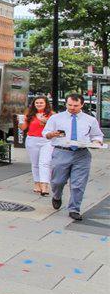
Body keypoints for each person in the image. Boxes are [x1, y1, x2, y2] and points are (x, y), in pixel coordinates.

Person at [44, 93, 105, 221]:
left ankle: (74, 209)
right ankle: (56, 195)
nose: (72, 108)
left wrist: (97, 141)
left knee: (78, 184)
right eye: (70, 105)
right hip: (61, 152)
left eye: (75, 105)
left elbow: (97, 135)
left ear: (82, 105)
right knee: (57, 181)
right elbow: (45, 133)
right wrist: (51, 134)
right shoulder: (56, 118)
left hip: (81, 154)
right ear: (66, 104)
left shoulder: (90, 120)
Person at [23, 96, 54, 197]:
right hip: (32, 140)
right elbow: (24, 128)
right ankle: (37, 183)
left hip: (47, 140)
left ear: (46, 104)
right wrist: (20, 122)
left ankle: (44, 186)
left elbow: (57, 128)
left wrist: (45, 122)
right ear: (34, 104)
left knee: (45, 163)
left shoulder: (52, 115)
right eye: (37, 103)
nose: (39, 105)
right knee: (35, 163)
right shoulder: (29, 114)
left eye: (41, 103)